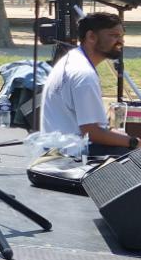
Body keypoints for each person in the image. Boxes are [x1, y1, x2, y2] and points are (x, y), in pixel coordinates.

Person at [40, 12, 137, 157]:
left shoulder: (72, 59)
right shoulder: (84, 75)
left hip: (59, 149)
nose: (121, 42)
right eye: (114, 36)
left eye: (121, 36)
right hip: (71, 157)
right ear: (91, 37)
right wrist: (134, 142)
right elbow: (91, 133)